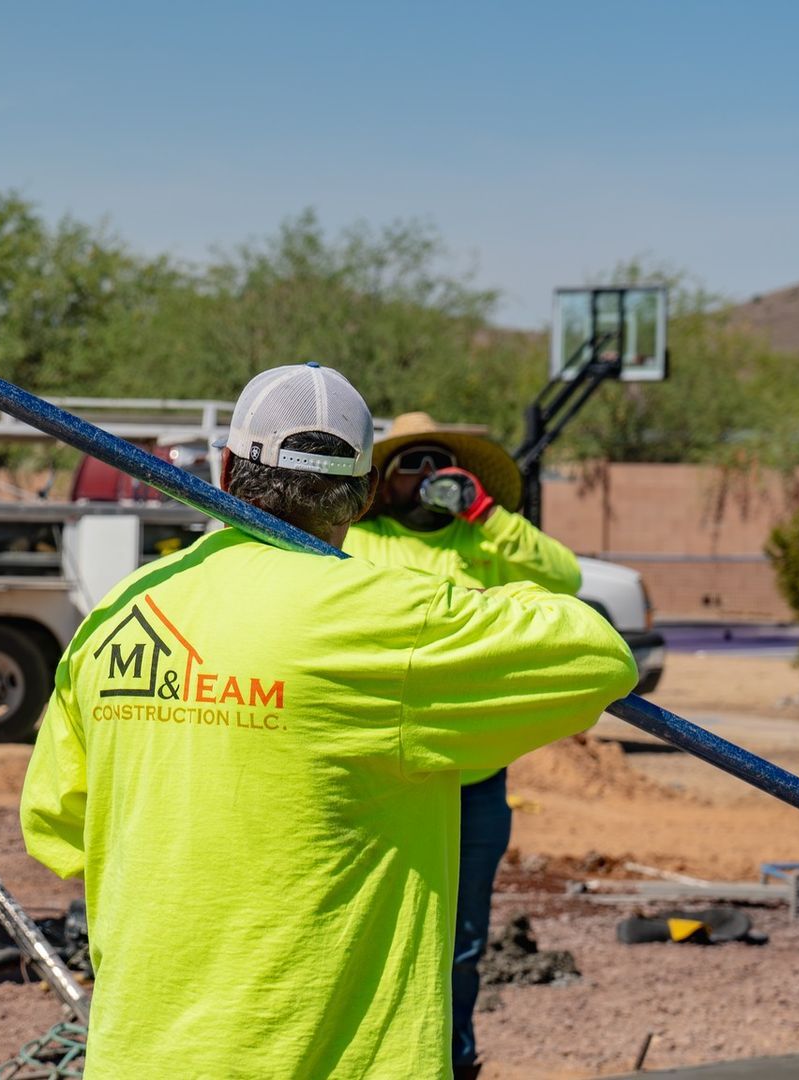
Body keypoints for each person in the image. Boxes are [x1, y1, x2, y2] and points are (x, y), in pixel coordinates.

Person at [20, 363, 635, 1079]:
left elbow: (56, 826)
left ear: (223, 469)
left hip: (144, 1057)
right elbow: (597, 655)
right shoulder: (389, 620)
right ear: (367, 490)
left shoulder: (120, 613)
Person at [342, 412, 583, 1080]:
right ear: (381, 484)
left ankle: (455, 1060)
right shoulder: (362, 543)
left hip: (473, 777)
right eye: (409, 465)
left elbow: (566, 580)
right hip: (380, 771)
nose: (424, 480)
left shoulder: (486, 546)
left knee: (461, 938)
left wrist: (487, 515)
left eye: (438, 467)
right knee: (371, 925)